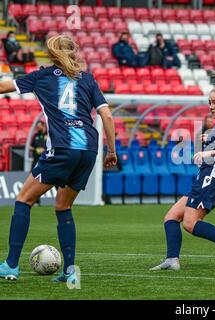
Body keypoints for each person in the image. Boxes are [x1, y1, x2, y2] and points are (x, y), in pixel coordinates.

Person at [0, 35, 117, 284]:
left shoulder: (42, 76)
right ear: (74, 52)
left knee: (23, 200)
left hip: (63, 148)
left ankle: (10, 265)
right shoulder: (87, 79)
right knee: (63, 207)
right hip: (89, 151)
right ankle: (70, 270)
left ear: (51, 55)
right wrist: (112, 151)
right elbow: (107, 115)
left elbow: (3, 87)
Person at [150, 85, 215, 271]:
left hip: (214, 177)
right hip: (207, 177)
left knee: (190, 223)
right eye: (209, 102)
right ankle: (172, 260)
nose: (211, 106)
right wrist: (210, 138)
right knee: (171, 217)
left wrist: (207, 153)